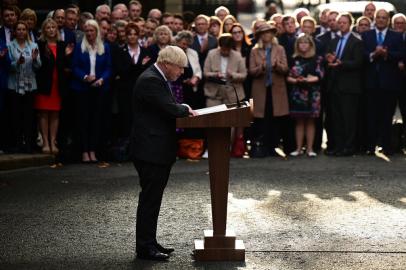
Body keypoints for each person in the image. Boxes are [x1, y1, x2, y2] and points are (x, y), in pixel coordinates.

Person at [130, 45, 197, 261]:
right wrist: (185, 107)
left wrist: (181, 107)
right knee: (150, 199)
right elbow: (170, 108)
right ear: (167, 64)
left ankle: (149, 242)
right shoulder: (151, 80)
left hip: (154, 149)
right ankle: (145, 247)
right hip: (151, 150)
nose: (181, 72)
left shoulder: (156, 77)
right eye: (179, 68)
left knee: (153, 199)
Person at [362, 9, 404, 155]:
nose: (380, 20)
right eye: (378, 17)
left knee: (387, 116)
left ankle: (387, 146)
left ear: (388, 20)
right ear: (374, 19)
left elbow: (401, 54)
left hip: (389, 83)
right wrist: (374, 54)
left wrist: (387, 54)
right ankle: (370, 146)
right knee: (371, 115)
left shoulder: (397, 36)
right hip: (371, 83)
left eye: (383, 18)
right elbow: (362, 54)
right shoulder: (367, 35)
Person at [71, 19, 111, 163]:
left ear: (96, 31)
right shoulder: (79, 47)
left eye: (91, 30)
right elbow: (74, 67)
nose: (89, 33)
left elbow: (108, 68)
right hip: (82, 89)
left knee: (95, 121)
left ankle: (93, 150)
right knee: (83, 120)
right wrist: (85, 77)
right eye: (86, 31)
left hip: (99, 89)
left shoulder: (104, 47)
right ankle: (84, 151)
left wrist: (102, 79)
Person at [325, 13, 363, 157]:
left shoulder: (356, 41)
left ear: (350, 24)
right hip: (334, 86)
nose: (341, 25)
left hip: (349, 87)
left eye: (344, 23)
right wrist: (329, 60)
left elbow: (358, 62)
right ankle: (338, 146)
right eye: (339, 22)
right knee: (336, 119)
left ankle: (349, 146)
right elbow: (327, 59)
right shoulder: (334, 41)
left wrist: (342, 63)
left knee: (349, 119)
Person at [249, 23, 290, 157]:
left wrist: (277, 65)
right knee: (261, 119)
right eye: (264, 33)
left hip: (276, 90)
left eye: (269, 32)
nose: (267, 35)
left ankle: (274, 147)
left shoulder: (280, 49)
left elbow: (285, 69)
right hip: (261, 90)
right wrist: (261, 67)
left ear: (273, 34)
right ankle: (262, 147)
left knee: (275, 119)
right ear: (260, 36)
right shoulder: (254, 51)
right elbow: (251, 71)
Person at [204, 33, 247, 157]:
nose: (225, 51)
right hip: (214, 93)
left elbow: (244, 75)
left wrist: (233, 74)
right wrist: (215, 74)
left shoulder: (237, 56)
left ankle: (226, 148)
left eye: (227, 49)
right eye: (223, 49)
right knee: (212, 121)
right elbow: (205, 72)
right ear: (220, 46)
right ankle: (210, 148)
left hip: (232, 93)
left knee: (230, 123)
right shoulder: (212, 54)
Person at [34, 18, 72, 154]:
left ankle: (53, 141)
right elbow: (38, 65)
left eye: (53, 27)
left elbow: (66, 66)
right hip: (44, 83)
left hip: (58, 83)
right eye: (48, 27)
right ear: (44, 30)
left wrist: (67, 55)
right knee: (43, 113)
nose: (51, 30)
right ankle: (45, 142)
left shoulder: (62, 45)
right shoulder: (39, 44)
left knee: (55, 113)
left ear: (57, 30)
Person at [7, 21, 41, 153]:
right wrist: (17, 62)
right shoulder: (10, 46)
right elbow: (7, 66)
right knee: (15, 116)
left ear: (27, 31)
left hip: (30, 86)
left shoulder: (33, 45)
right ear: (15, 32)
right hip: (14, 86)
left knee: (28, 116)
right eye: (18, 29)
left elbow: (39, 66)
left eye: (23, 29)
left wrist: (34, 59)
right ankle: (17, 143)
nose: (21, 32)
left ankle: (28, 144)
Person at [287, 34, 322, 157]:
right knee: (299, 121)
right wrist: (296, 80)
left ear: (311, 45)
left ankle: (310, 149)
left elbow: (320, 76)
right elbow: (288, 77)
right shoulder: (293, 59)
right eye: (301, 42)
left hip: (313, 94)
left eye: (306, 42)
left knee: (311, 122)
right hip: (297, 93)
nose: (303, 45)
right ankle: (298, 148)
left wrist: (307, 80)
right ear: (297, 45)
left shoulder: (317, 59)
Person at [114, 23, 151, 140]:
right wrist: (139, 65)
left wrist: (135, 67)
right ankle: (126, 148)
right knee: (126, 118)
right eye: (129, 34)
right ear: (126, 36)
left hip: (142, 91)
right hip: (125, 91)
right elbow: (121, 71)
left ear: (138, 36)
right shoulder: (120, 51)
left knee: (141, 118)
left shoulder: (146, 52)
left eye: (135, 34)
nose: (132, 36)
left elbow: (148, 72)